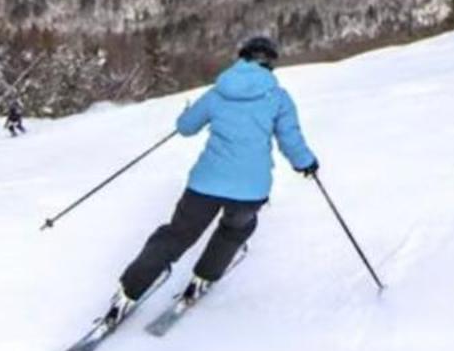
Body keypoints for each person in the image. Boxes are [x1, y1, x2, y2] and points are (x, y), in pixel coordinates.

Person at [104, 35, 318, 322]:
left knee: (177, 235)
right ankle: (204, 277)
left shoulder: (218, 93)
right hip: (250, 189)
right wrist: (306, 164)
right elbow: (290, 139)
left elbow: (186, 127)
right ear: (270, 63)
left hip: (205, 184)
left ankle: (129, 290)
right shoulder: (278, 98)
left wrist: (188, 112)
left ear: (241, 58)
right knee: (234, 230)